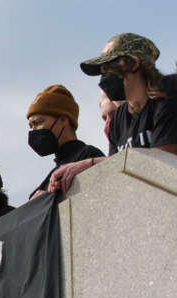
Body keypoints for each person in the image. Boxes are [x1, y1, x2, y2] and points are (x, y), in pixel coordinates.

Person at [50, 33, 177, 193]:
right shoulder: (119, 118)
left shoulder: (168, 92)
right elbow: (116, 173)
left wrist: (91, 163)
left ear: (133, 63)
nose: (103, 80)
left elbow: (163, 162)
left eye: (107, 69)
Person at [26, 85, 104, 199]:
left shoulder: (88, 156)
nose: (34, 130)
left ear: (63, 120)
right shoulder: (45, 182)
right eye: (31, 126)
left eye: (38, 122)